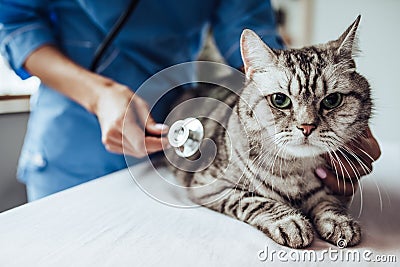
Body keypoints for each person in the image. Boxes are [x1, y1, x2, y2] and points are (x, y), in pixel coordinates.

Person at [0, 0, 380, 201]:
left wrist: (296, 101)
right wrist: (98, 95)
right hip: (74, 135)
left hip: (176, 138)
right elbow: (15, 23)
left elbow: (250, 42)